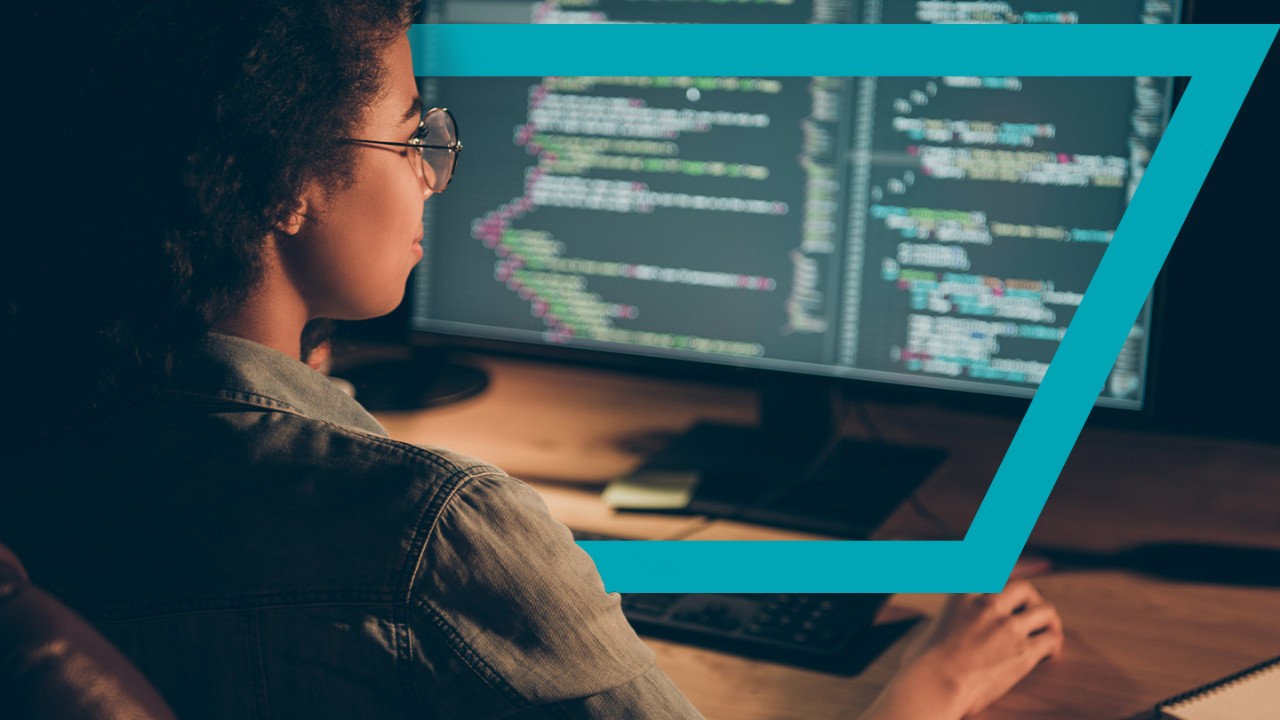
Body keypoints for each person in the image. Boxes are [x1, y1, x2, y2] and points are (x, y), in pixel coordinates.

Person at [1, 1, 1064, 717]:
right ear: (286, 186)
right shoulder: (439, 531)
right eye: (411, 135)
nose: (430, 175)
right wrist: (927, 688)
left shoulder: (43, 444)